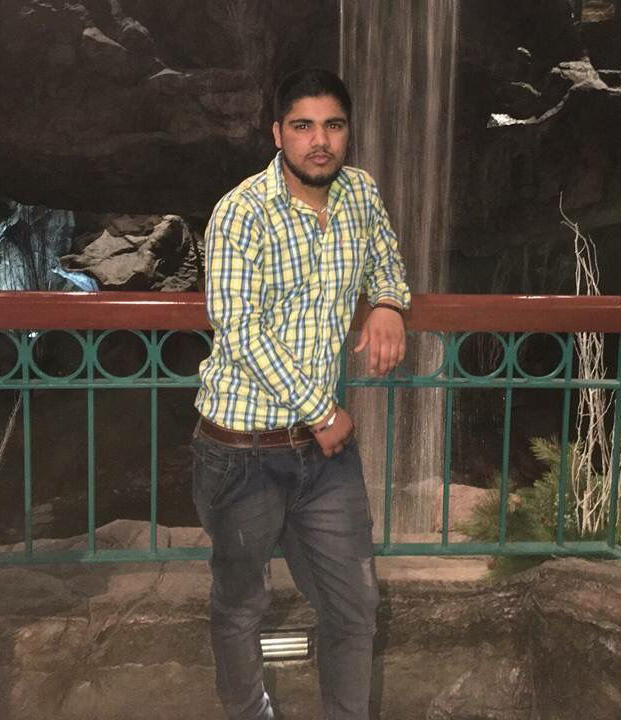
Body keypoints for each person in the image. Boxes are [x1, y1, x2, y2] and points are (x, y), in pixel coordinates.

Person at [192, 67, 411, 720]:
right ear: (277, 133)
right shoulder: (241, 211)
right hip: (240, 451)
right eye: (304, 126)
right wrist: (320, 411)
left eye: (333, 125)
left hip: (323, 455)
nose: (320, 141)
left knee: (355, 606)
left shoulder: (360, 194)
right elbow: (241, 330)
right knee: (241, 606)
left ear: (347, 132)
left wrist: (389, 304)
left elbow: (386, 260)